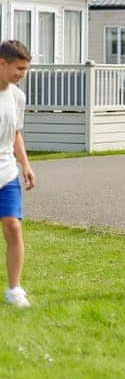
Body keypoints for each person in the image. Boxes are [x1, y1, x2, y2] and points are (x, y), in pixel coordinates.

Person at [0, 40, 36, 307]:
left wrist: (25, 164)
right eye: (19, 68)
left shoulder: (17, 97)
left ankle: (14, 290)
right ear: (2, 63)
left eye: (25, 69)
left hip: (6, 172)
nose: (22, 74)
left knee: (13, 227)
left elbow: (16, 133)